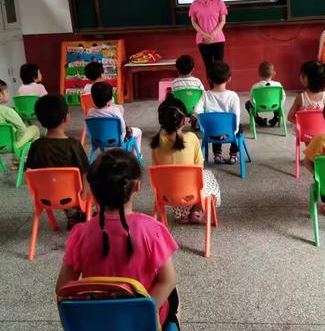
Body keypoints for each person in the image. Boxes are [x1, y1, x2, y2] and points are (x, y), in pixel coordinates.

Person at [55, 149, 181, 331]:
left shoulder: (80, 233)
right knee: (175, 295)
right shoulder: (152, 230)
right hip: (140, 322)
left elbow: (63, 289)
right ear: (137, 186)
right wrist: (139, 313)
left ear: (94, 191)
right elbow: (168, 280)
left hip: (97, 321)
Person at [151, 94, 221, 224]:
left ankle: (182, 212)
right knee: (209, 177)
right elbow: (200, 167)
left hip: (167, 194)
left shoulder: (156, 143)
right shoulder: (191, 138)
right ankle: (197, 208)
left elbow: (157, 170)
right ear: (183, 121)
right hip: (190, 192)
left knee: (173, 179)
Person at [26, 94, 89, 229]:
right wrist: (83, 196)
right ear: (66, 117)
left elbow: (29, 172)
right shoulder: (73, 145)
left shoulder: (36, 146)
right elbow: (85, 173)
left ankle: (73, 214)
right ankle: (81, 213)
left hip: (44, 197)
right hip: (74, 196)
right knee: (97, 185)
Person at [194, 61, 241, 165]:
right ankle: (233, 155)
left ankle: (217, 155)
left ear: (209, 79)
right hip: (230, 132)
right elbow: (236, 116)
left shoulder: (205, 95)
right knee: (238, 128)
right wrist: (235, 130)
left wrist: (202, 123)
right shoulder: (233, 96)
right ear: (229, 78)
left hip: (210, 133)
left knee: (214, 125)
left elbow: (197, 110)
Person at [87, 82, 142, 156]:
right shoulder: (115, 111)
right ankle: (136, 156)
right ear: (109, 101)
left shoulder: (90, 112)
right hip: (118, 141)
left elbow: (89, 131)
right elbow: (122, 129)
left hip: (98, 140)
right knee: (138, 131)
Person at [189, 0, 228, 80]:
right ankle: (212, 90)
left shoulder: (219, 2)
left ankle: (220, 89)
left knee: (219, 67)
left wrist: (212, 35)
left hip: (218, 39)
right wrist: (203, 34)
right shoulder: (194, 4)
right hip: (202, 40)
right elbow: (193, 21)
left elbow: (222, 21)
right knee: (208, 66)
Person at [0, 79, 40, 153]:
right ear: (0, 95)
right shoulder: (7, 111)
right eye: (6, 91)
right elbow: (22, 129)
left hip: (1, 144)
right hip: (9, 145)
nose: (8, 93)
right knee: (35, 128)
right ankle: (30, 155)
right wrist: (17, 142)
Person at [245, 61, 285, 127]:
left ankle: (258, 120)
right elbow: (283, 97)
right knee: (278, 100)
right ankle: (276, 118)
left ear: (259, 74)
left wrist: (255, 106)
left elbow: (251, 98)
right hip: (275, 106)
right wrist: (279, 106)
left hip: (258, 107)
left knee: (248, 104)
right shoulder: (278, 85)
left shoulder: (255, 87)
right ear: (274, 74)